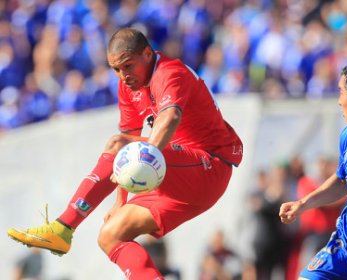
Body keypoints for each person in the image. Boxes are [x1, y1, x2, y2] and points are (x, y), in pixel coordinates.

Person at [7, 28, 243, 279]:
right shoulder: (128, 85)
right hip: (176, 172)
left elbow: (169, 117)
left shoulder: (169, 72)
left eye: (128, 66)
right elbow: (126, 148)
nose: (123, 75)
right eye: (116, 69)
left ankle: (63, 226)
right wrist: (121, 201)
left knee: (118, 144)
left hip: (208, 165)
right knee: (110, 235)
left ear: (148, 53)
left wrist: (147, 157)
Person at [279, 60, 347, 279]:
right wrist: (304, 204)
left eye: (341, 93)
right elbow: (342, 181)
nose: (339, 102)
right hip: (345, 246)